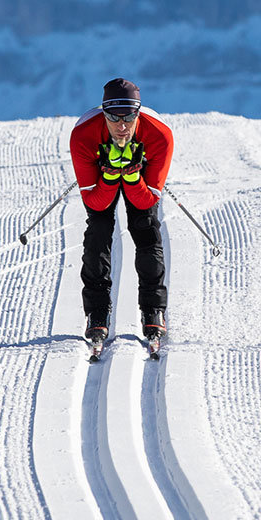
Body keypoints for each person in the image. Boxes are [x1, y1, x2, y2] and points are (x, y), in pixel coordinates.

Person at [68, 77, 173, 347]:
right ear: (103, 113)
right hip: (102, 178)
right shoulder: (83, 135)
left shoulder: (159, 135)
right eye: (114, 117)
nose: (122, 125)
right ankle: (97, 312)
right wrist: (111, 176)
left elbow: (146, 200)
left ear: (139, 112)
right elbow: (96, 203)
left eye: (129, 116)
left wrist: (133, 177)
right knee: (98, 233)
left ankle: (153, 310)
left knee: (146, 227)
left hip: (140, 177)